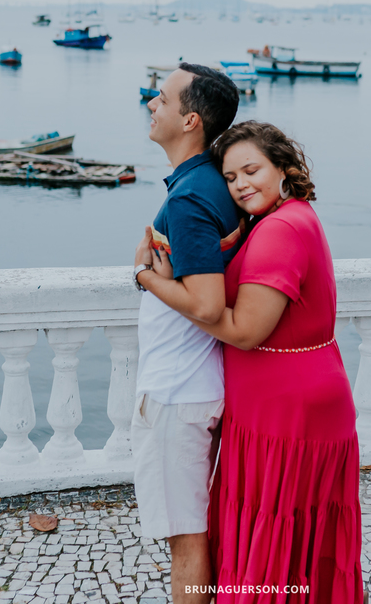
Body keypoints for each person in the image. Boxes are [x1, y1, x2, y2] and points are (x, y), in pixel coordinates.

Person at [136, 121, 365, 603]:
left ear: (283, 168)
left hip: (285, 410)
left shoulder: (279, 230)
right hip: (291, 399)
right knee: (295, 536)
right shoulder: (289, 216)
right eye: (231, 177)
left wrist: (152, 280)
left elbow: (243, 331)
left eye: (251, 170)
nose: (240, 184)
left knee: (275, 532)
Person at [131, 63, 240, 604]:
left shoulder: (191, 198)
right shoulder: (207, 182)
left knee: (186, 536)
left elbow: (207, 303)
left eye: (162, 98)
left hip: (177, 392)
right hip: (194, 383)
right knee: (192, 527)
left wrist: (145, 276)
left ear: (191, 119)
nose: (152, 104)